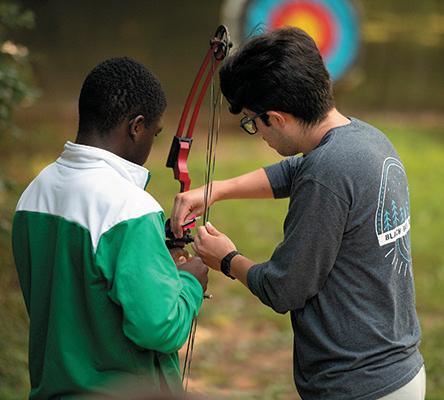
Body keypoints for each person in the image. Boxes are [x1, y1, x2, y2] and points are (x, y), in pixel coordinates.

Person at [170, 28, 425, 399]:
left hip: (357, 385)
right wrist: (216, 190)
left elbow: (284, 288)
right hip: (398, 371)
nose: (257, 132)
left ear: (276, 118)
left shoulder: (326, 174)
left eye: (252, 122)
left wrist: (226, 259)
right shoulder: (364, 138)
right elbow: (297, 170)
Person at [12, 57, 208, 399]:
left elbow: (79, 285)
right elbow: (160, 328)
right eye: (154, 133)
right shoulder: (129, 208)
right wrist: (190, 282)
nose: (152, 142)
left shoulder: (34, 193)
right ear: (136, 127)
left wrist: (154, 259)